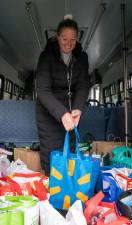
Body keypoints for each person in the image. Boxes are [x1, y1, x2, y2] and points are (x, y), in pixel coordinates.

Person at [36, 15, 89, 175]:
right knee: (52, 158)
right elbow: (43, 90)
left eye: (73, 39)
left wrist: (78, 108)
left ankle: (68, 192)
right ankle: (53, 193)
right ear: (57, 37)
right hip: (49, 114)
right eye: (64, 39)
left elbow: (83, 85)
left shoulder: (82, 57)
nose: (69, 44)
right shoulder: (46, 56)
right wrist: (61, 113)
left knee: (70, 156)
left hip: (72, 113)